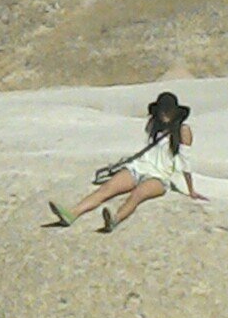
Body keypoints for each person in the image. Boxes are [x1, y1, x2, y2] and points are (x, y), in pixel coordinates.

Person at [49, 91, 208, 232]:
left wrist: (191, 189)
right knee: (107, 188)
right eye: (162, 110)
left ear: (175, 112)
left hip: (159, 176)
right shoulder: (154, 125)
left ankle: (115, 219)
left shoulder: (183, 130)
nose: (164, 114)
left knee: (137, 195)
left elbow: (185, 160)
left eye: (168, 111)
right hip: (137, 168)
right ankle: (71, 214)